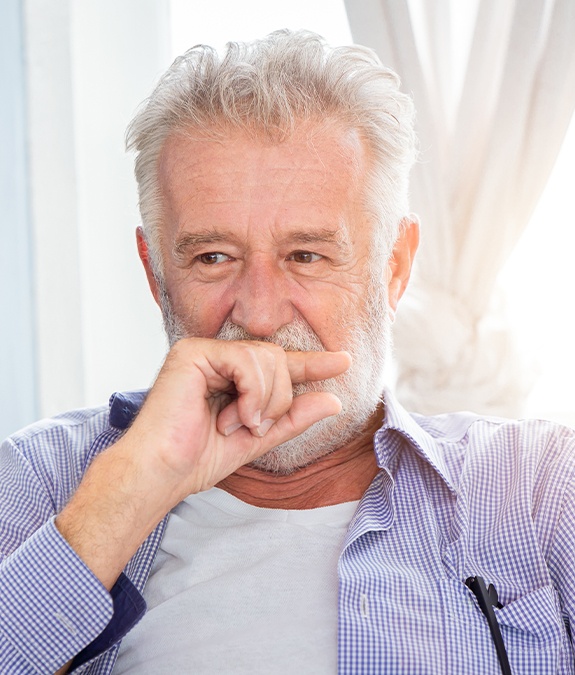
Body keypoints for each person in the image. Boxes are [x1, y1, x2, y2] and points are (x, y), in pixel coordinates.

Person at [1, 29, 574, 675]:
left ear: (393, 267)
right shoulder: (40, 481)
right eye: (213, 257)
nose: (261, 314)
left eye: (307, 255)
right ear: (154, 270)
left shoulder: (538, 486)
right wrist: (128, 492)